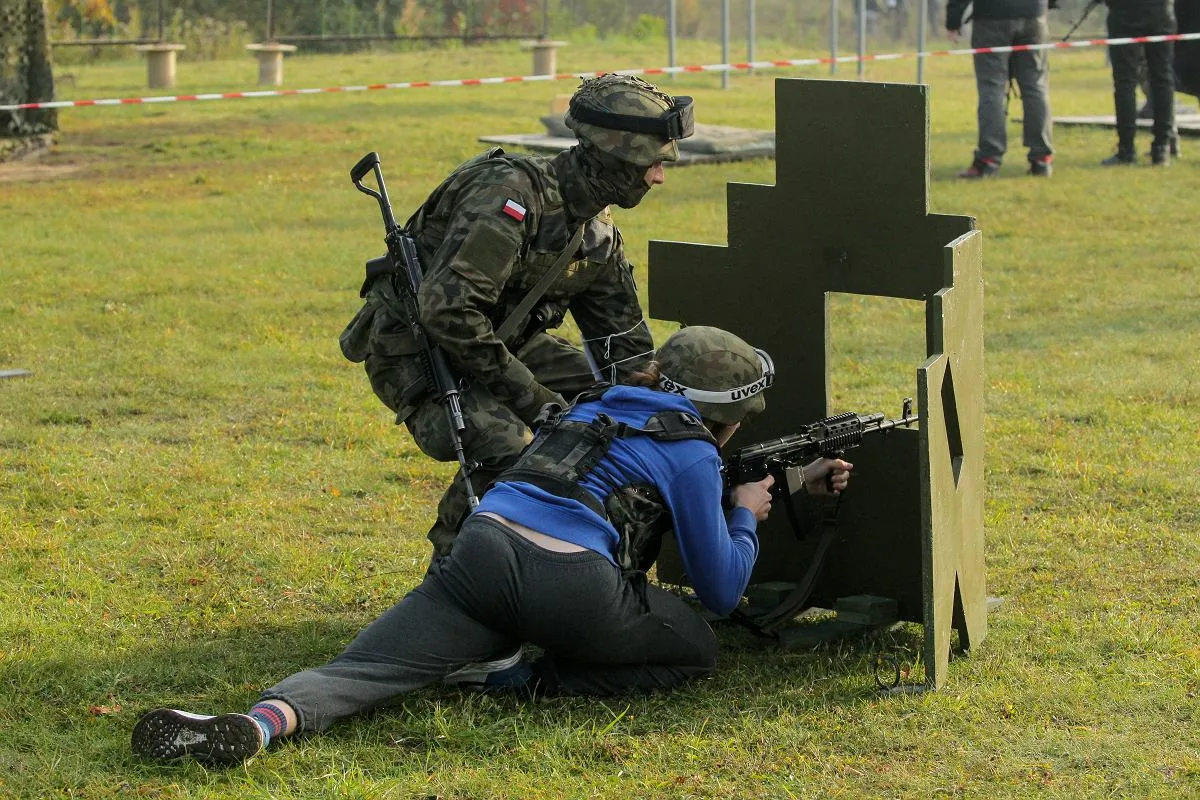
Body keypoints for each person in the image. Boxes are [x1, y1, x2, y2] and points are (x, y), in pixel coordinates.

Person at [130, 326, 854, 766]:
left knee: (369, 667)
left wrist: (780, 479)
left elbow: (628, 474)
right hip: (569, 582)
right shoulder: (695, 453)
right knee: (693, 645)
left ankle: (259, 725)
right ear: (727, 416)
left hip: (480, 549)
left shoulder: (597, 404)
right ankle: (517, 680)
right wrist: (747, 514)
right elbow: (723, 589)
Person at [338, 73, 695, 560]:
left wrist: (654, 413)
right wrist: (536, 400)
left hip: (500, 348)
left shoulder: (597, 233)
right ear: (612, 154)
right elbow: (449, 313)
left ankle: (591, 565)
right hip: (416, 353)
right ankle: (455, 578)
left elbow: (624, 349)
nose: (659, 177)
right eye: (652, 163)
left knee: (619, 416)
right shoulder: (508, 197)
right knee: (519, 448)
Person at [946, 0, 1056, 178]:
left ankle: (989, 159)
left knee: (992, 87)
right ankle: (1042, 159)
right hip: (1034, 13)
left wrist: (953, 19)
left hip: (992, 15)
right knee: (1035, 86)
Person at [1101, 0, 1178, 165]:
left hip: (1124, 13)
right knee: (1162, 78)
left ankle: (1126, 149)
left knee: (1125, 82)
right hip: (1160, 11)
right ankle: (1162, 147)